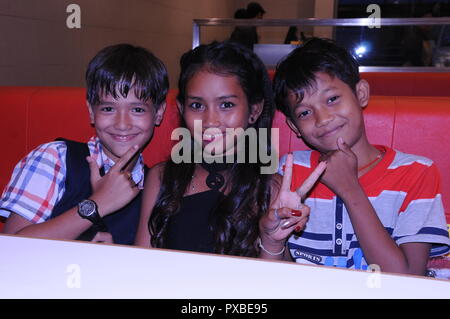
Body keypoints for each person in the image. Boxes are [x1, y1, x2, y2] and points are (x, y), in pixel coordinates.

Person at [259, 37, 450, 276]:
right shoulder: (289, 171)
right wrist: (273, 241)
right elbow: (275, 280)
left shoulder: (416, 172)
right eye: (305, 112)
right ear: (294, 126)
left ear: (360, 93)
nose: (323, 118)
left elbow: (407, 281)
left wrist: (350, 189)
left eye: (332, 99)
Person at [135, 41, 311, 257]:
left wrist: (272, 242)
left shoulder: (270, 188)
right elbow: (142, 265)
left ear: (254, 110)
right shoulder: (162, 178)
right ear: (182, 109)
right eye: (197, 105)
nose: (210, 120)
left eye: (226, 105)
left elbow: (276, 285)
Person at [0, 44, 169, 245]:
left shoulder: (156, 184)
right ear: (91, 111)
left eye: (137, 110)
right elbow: (10, 247)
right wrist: (98, 203)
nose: (122, 124)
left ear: (158, 113)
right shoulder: (56, 158)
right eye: (108, 108)